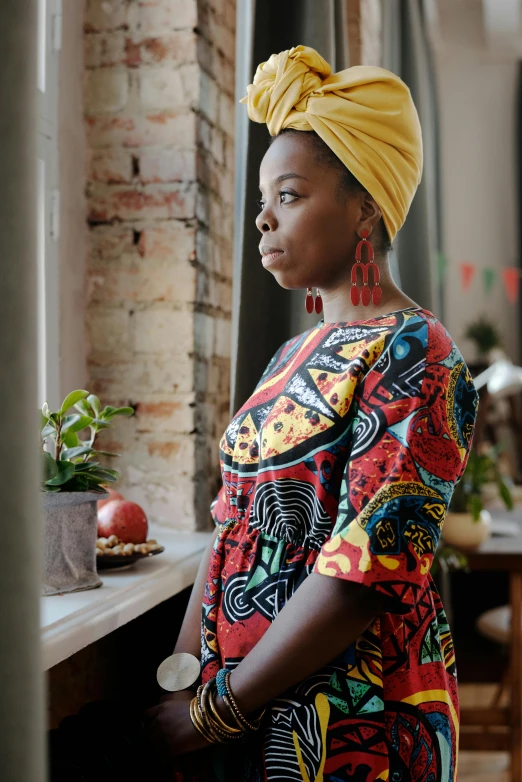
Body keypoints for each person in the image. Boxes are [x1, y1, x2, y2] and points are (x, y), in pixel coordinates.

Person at [145, 45, 479, 782]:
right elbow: (230, 526)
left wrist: (214, 709)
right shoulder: (286, 359)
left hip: (352, 723)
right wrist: (186, 677)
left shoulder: (418, 351)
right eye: (263, 198)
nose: (262, 217)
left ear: (364, 205)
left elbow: (362, 575)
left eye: (289, 195)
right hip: (242, 707)